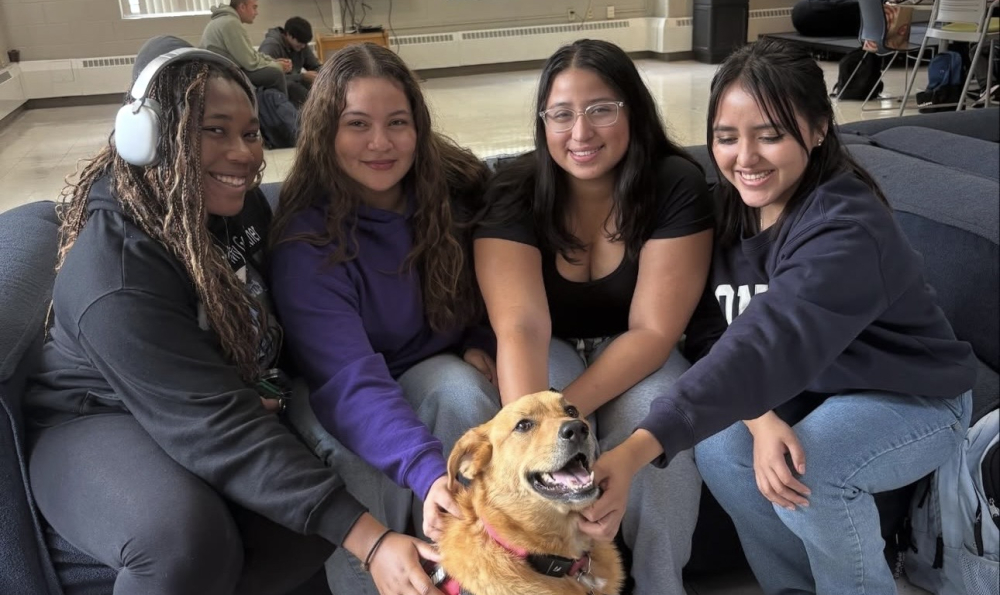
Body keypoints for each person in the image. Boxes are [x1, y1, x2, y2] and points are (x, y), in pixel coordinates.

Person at [25, 35, 443, 595]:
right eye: (214, 130)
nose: (244, 154)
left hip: (210, 395)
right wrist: (371, 540)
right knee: (184, 540)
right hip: (96, 415)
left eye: (250, 133)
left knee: (296, 529)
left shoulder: (235, 203)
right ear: (150, 136)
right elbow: (216, 425)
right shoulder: (115, 273)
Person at [582, 38, 977, 595]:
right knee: (724, 447)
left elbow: (767, 341)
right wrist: (759, 416)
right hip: (811, 392)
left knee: (810, 467)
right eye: (726, 138)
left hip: (914, 396)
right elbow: (714, 332)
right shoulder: (725, 210)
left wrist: (633, 452)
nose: (745, 158)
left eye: (770, 135)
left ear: (818, 129)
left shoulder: (846, 226)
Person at [473, 39, 714, 595]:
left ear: (633, 107)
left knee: (660, 415)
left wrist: (568, 424)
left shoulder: (675, 183)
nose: (580, 133)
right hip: (547, 344)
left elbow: (654, 332)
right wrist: (542, 441)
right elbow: (522, 328)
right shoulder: (512, 188)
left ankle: (661, 584)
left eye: (601, 108)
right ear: (543, 122)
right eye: (561, 114)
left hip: (638, 349)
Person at [268, 42, 500, 594]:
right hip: (339, 384)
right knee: (354, 459)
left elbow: (501, 283)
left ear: (418, 129)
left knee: (463, 395)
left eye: (397, 122)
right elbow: (348, 379)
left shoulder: (454, 195)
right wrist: (425, 471)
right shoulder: (307, 240)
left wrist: (479, 336)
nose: (380, 142)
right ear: (326, 133)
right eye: (357, 124)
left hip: (425, 365)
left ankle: (474, 577)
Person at [200, 0, 293, 96]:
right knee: (275, 74)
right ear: (242, 7)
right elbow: (250, 63)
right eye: (254, 7)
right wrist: (278, 66)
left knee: (273, 71)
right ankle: (282, 109)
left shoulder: (225, 20)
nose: (257, 13)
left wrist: (273, 61)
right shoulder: (231, 23)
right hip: (224, 74)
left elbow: (251, 54)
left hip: (222, 70)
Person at [259, 16, 321, 107]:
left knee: (314, 82)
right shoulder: (271, 46)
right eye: (300, 43)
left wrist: (323, 75)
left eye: (305, 44)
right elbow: (266, 77)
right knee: (292, 86)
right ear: (288, 35)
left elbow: (315, 66)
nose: (303, 47)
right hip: (273, 91)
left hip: (294, 84)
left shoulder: (301, 44)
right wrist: (301, 77)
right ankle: (314, 109)